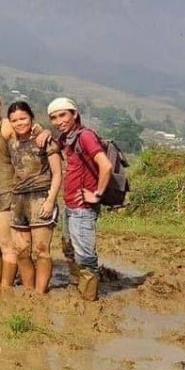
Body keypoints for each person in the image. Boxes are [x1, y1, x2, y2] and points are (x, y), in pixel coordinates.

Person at [0, 88, 49, 288]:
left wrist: (45, 131)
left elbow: (28, 130)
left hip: (4, 191)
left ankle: (5, 289)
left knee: (7, 247)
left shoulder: (5, 126)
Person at [48, 97, 112, 301]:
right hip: (71, 206)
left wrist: (97, 194)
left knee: (85, 256)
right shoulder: (67, 138)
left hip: (83, 208)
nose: (59, 121)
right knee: (69, 247)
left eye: (63, 115)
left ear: (74, 114)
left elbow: (106, 165)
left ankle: (88, 299)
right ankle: (79, 287)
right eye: (54, 118)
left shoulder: (85, 137)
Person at [7, 101, 62, 294]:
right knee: (22, 251)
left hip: (41, 198)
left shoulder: (45, 140)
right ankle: (29, 291)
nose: (19, 123)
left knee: (41, 250)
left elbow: (57, 173)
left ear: (31, 118)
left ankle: (40, 293)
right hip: (18, 200)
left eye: (23, 118)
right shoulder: (12, 142)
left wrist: (50, 200)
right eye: (14, 120)